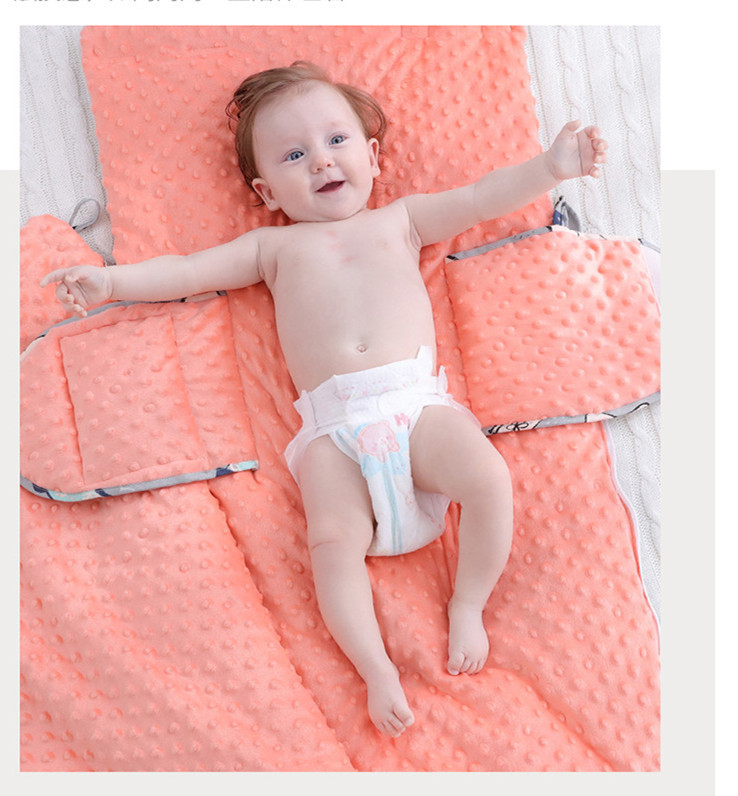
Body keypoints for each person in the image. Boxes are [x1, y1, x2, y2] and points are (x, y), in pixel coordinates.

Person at [41, 62, 608, 738]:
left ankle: (468, 604)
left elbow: (482, 197)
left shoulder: (402, 221)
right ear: (266, 191)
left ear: (372, 156)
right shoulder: (272, 248)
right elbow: (188, 272)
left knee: (488, 479)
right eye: (293, 155)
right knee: (332, 546)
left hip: (414, 406)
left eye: (336, 141)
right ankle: (376, 668)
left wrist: (551, 167)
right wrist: (113, 284)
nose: (320, 161)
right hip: (334, 431)